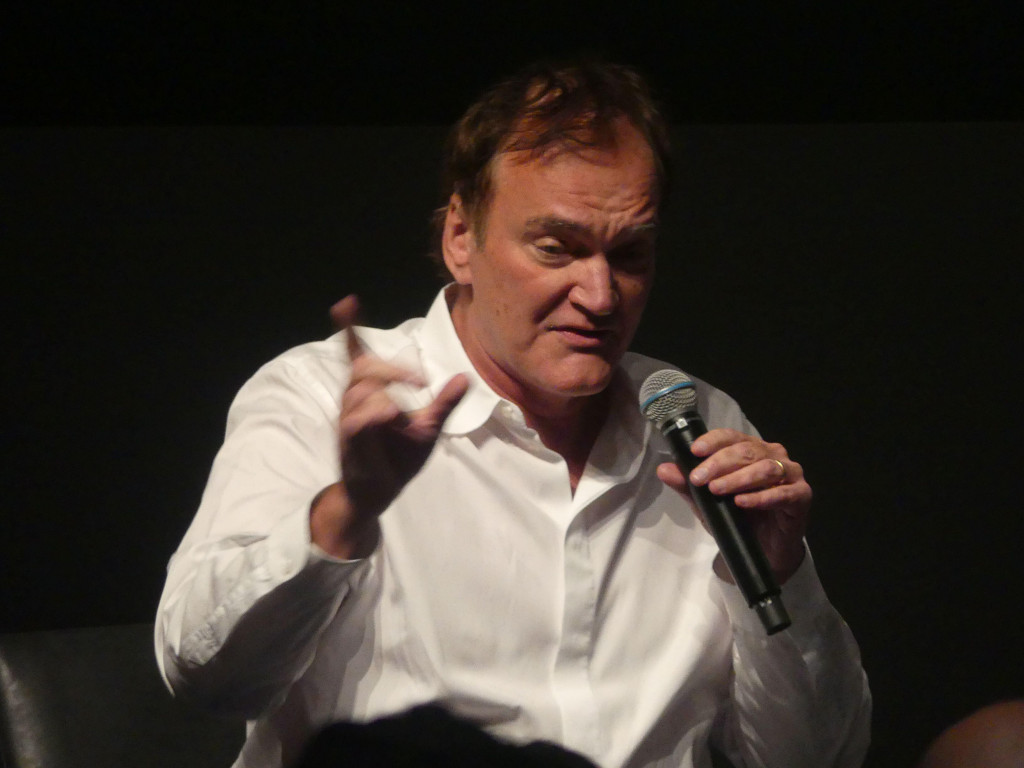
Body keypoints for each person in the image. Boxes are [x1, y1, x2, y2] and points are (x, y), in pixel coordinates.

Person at [156, 59, 871, 768]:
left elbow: (816, 760)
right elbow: (207, 679)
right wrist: (346, 511)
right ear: (460, 239)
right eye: (557, 249)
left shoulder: (699, 423)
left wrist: (780, 576)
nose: (600, 296)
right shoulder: (320, 395)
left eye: (629, 254)